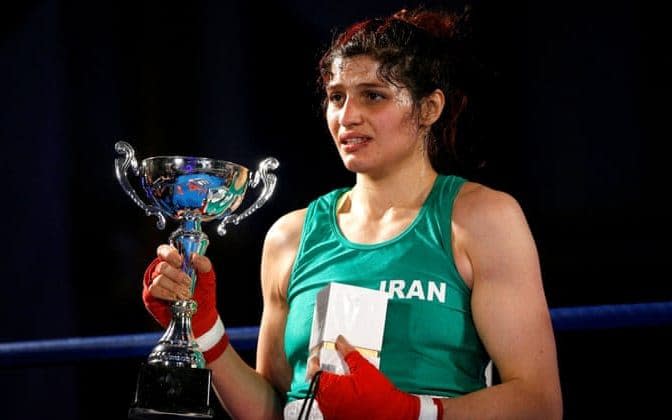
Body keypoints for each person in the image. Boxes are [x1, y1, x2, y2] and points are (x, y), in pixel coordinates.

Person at [142, 6, 563, 420]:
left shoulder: (481, 219)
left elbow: (539, 402)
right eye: (336, 97)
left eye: (373, 96)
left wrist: (410, 412)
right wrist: (205, 331)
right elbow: (273, 407)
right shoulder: (290, 237)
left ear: (429, 108)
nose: (347, 116)